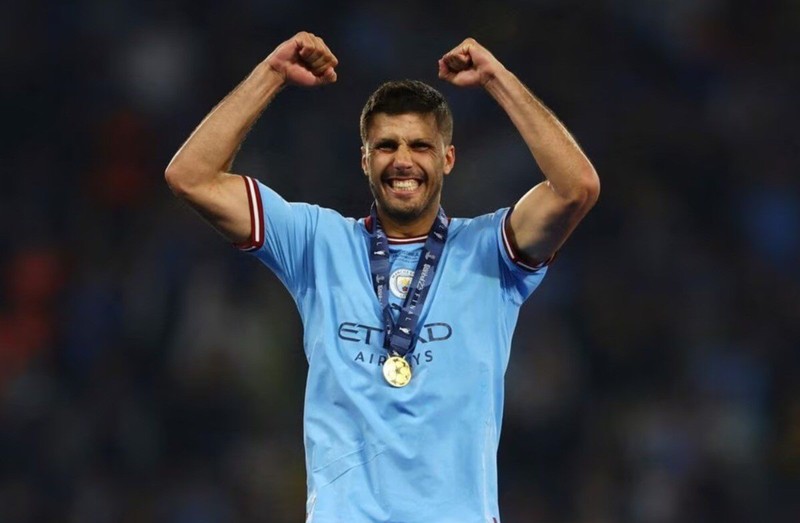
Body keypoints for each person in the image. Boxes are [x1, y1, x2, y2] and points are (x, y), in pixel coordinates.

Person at [166, 31, 599, 523]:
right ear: (365, 160)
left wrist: (498, 80)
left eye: (421, 145)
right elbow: (191, 177)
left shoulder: (491, 251)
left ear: (448, 158)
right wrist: (272, 73)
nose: (403, 161)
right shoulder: (316, 243)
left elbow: (576, 187)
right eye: (386, 146)